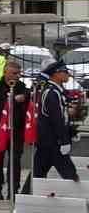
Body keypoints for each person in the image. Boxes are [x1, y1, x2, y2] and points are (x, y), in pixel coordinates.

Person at [33, 60, 80, 190]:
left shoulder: (57, 92)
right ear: (56, 74)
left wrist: (71, 132)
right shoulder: (52, 93)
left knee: (38, 173)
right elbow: (57, 120)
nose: (68, 75)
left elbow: (62, 117)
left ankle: (27, 197)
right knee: (70, 175)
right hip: (53, 142)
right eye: (65, 72)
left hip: (49, 142)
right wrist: (64, 140)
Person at [0, 59, 30, 199]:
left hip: (16, 130)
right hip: (0, 130)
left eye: (18, 73)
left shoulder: (22, 88)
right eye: (13, 73)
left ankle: (13, 189)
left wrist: (23, 99)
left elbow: (27, 108)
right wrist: (11, 100)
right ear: (6, 72)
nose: (16, 76)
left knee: (15, 160)